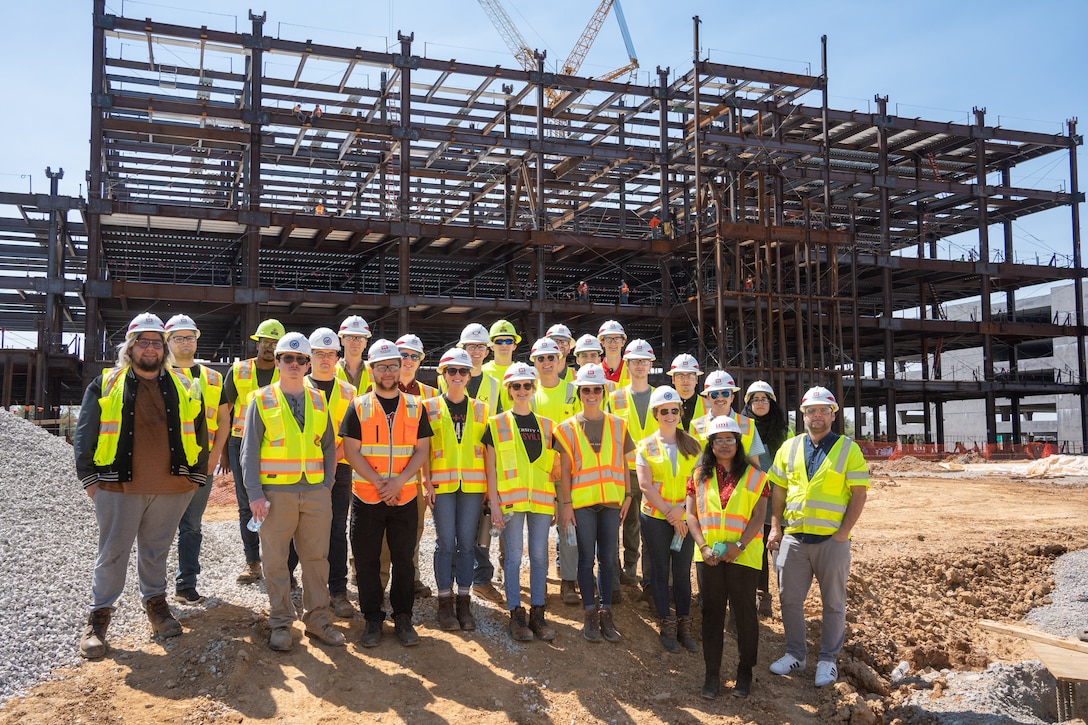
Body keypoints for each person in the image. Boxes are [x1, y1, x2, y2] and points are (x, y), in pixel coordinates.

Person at [74, 312, 208, 659]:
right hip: (117, 487)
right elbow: (84, 433)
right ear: (130, 347)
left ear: (164, 348)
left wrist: (195, 476)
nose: (149, 348)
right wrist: (90, 480)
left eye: (155, 342)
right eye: (142, 342)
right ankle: (98, 619)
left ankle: (157, 608)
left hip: (172, 486)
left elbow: (200, 431)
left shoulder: (183, 383)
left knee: (156, 551)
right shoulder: (106, 383)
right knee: (112, 554)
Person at [241, 332, 345, 651]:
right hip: (275, 494)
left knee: (316, 559)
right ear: (278, 361)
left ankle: (317, 620)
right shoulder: (262, 399)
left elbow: (328, 446)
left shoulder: (317, 399)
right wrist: (255, 494)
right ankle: (281, 623)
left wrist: (327, 483)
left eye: (301, 360)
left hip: (314, 492)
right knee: (275, 560)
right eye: (289, 358)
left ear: (308, 364)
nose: (295, 364)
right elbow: (249, 452)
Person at [766, 386, 870, 688]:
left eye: (824, 410)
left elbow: (859, 493)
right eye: (812, 411)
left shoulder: (848, 448)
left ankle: (827, 660)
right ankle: (796, 654)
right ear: (804, 415)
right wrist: (775, 527)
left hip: (831, 541)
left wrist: (844, 532)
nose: (818, 415)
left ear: (834, 415)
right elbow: (779, 490)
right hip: (795, 538)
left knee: (834, 603)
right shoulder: (789, 447)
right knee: (789, 600)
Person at [341, 339, 432, 647]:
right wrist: (382, 483)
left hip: (404, 496)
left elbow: (422, 450)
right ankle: (372, 619)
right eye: (382, 367)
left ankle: (403, 617)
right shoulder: (358, 406)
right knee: (366, 561)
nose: (389, 372)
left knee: (404, 560)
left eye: (393, 365)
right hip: (367, 497)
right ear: (371, 370)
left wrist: (399, 481)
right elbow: (351, 452)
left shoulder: (416, 407)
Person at [686, 416, 769, 699]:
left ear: (738, 443)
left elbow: (760, 515)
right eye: (718, 440)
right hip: (708, 556)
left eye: (729, 439)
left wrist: (740, 545)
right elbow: (691, 515)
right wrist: (703, 546)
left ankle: (745, 674)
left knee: (744, 615)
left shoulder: (757, 476)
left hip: (743, 557)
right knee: (711, 615)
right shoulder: (697, 476)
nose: (724, 444)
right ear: (710, 444)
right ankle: (712, 676)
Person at [484, 362, 562, 642]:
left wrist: (554, 501)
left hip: (541, 500)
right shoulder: (496, 424)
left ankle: (538, 612)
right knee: (514, 557)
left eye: (527, 385)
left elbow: (552, 468)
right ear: (508, 389)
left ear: (533, 388)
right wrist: (494, 503)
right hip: (511, 502)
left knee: (540, 558)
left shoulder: (546, 426)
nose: (522, 390)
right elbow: (490, 468)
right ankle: (516, 613)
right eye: (516, 386)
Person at [557, 364, 635, 643]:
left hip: (612, 502)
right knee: (585, 559)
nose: (591, 394)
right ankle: (589, 614)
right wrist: (566, 503)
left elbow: (625, 464)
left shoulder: (618, 424)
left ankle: (606, 613)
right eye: (586, 389)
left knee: (608, 560)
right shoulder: (566, 429)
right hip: (582, 502)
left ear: (603, 391)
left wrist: (627, 495)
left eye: (596, 389)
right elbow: (565, 470)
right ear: (579, 392)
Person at [422, 348, 489, 632]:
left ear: (470, 375)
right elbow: (424, 448)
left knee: (466, 544)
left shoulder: (481, 409)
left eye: (463, 371)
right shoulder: (430, 407)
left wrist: (490, 488)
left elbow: (488, 452)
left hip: (473, 486)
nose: (458, 376)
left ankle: (464, 599)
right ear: (443, 374)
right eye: (452, 371)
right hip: (442, 485)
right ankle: (444, 602)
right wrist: (426, 482)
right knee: (445, 543)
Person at [215, 318, 284, 584]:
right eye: (266, 342)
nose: (270, 348)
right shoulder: (239, 370)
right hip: (239, 442)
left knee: (279, 504)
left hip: (277, 444)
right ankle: (253, 562)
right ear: (257, 343)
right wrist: (222, 452)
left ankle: (280, 565)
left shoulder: (287, 371)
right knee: (247, 505)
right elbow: (225, 412)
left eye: (275, 344)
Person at [636, 386, 702, 654]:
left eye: (675, 410)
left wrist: (682, 513)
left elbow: (699, 483)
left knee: (683, 572)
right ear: (656, 413)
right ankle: (667, 623)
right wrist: (671, 513)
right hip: (656, 517)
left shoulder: (694, 445)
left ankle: (684, 624)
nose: (670, 415)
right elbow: (645, 485)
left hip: (683, 516)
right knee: (661, 571)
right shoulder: (646, 445)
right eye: (665, 411)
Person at [164, 313, 223, 605]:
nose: (185, 342)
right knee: (158, 525)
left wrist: (215, 456)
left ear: (196, 340)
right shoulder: (158, 374)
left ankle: (186, 583)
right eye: (178, 337)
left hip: (201, 463)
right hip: (163, 464)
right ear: (168, 341)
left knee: (192, 525)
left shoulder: (213, 377)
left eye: (189, 337)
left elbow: (224, 420)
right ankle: (153, 589)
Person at [305, 327, 361, 619]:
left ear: (338, 357)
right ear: (309, 356)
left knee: (336, 529)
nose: (325, 359)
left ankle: (338, 591)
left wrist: (332, 463)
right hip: (302, 470)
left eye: (330, 354)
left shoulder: (350, 391)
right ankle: (303, 589)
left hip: (339, 470)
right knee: (300, 530)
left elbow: (351, 435)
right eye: (319, 354)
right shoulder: (296, 385)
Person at [451, 323, 505, 605]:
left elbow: (495, 432)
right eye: (471, 346)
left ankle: (481, 579)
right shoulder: (447, 377)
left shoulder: (494, 385)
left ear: (487, 351)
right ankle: (451, 580)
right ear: (463, 349)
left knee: (480, 524)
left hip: (479, 465)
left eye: (480, 347)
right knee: (449, 530)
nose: (475, 351)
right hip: (450, 465)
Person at [608, 339, 658, 594]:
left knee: (645, 523)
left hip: (652, 472)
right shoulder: (614, 398)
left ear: (651, 364)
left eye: (644, 361)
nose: (640, 365)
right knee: (619, 521)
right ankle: (619, 570)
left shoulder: (661, 396)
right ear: (626, 364)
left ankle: (636, 570)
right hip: (622, 471)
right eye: (635, 360)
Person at [392, 333, 439, 599]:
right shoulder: (380, 386)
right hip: (383, 472)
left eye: (413, 356)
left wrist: (426, 479)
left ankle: (412, 577)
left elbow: (430, 443)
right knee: (377, 529)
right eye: (403, 355)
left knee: (414, 530)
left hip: (413, 474)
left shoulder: (430, 395)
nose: (407, 361)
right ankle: (370, 574)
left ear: (420, 360)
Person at [741, 380, 790, 617]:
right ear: (748, 403)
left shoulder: (784, 431)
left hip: (778, 498)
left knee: (779, 549)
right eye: (755, 399)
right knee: (756, 548)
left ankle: (787, 598)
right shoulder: (741, 427)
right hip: (751, 497)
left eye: (764, 399)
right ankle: (761, 595)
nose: (760, 403)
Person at [692, 370, 765, 469]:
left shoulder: (747, 424)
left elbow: (755, 465)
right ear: (708, 398)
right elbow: (694, 466)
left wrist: (748, 485)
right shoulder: (696, 426)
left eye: (725, 393)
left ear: (732, 397)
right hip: (708, 483)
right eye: (714, 394)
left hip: (740, 483)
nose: (720, 398)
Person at [482, 319, 521, 411]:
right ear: (491, 346)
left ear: (514, 346)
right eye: (499, 341)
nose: (504, 345)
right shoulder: (482, 372)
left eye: (508, 341)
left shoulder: (522, 372)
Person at [666, 353, 705, 433]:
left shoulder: (708, 406)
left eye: (690, 376)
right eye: (681, 376)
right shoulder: (664, 406)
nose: (685, 380)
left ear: (696, 379)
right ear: (673, 379)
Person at [336, 315, 372, 393]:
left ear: (366, 342)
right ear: (342, 340)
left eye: (360, 338)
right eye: (350, 337)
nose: (355, 342)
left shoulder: (374, 371)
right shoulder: (331, 371)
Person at [597, 320, 629, 388]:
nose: (613, 343)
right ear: (602, 342)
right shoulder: (596, 371)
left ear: (623, 342)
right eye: (608, 339)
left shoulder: (631, 370)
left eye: (617, 339)